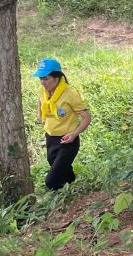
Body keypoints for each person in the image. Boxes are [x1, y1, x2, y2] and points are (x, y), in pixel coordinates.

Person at [33, 58, 90, 191]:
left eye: (46, 78)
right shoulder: (44, 90)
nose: (42, 82)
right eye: (40, 78)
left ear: (57, 77)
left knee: (51, 181)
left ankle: (61, 196)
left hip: (68, 140)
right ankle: (74, 192)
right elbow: (40, 100)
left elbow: (87, 117)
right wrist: (40, 115)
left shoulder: (70, 93)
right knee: (63, 171)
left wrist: (74, 134)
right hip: (51, 138)